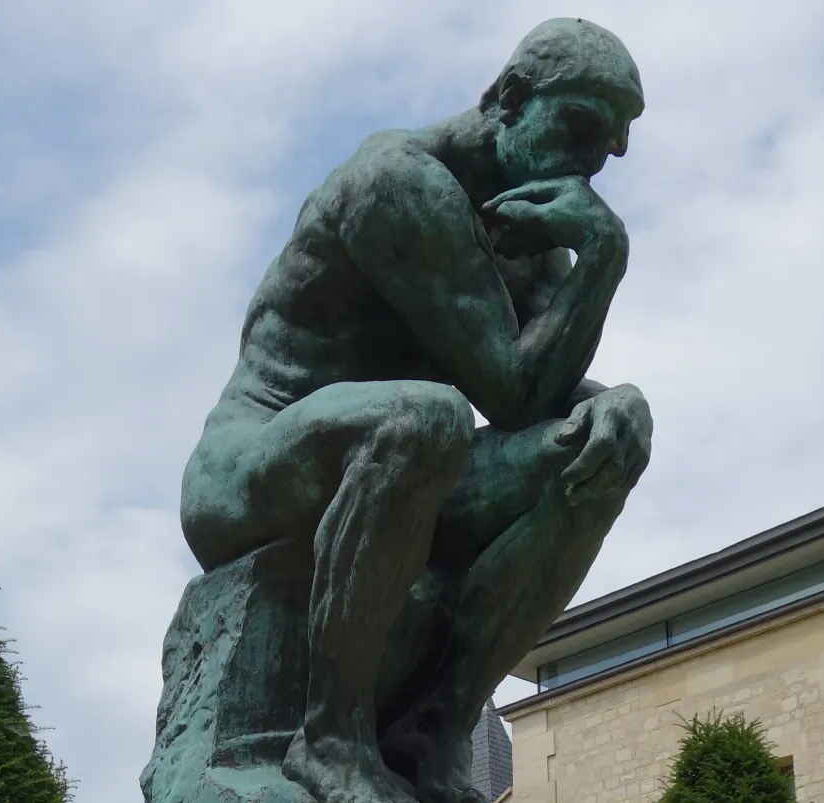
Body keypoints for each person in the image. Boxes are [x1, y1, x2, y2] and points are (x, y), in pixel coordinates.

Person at [178, 18, 652, 803]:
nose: (596, 160)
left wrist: (614, 407)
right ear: (508, 99)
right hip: (252, 465)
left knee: (605, 438)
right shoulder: (398, 182)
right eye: (581, 126)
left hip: (405, 470)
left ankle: (435, 727)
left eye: (611, 144)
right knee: (429, 417)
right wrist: (606, 256)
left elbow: (552, 395)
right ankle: (330, 737)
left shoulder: (533, 239)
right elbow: (510, 390)